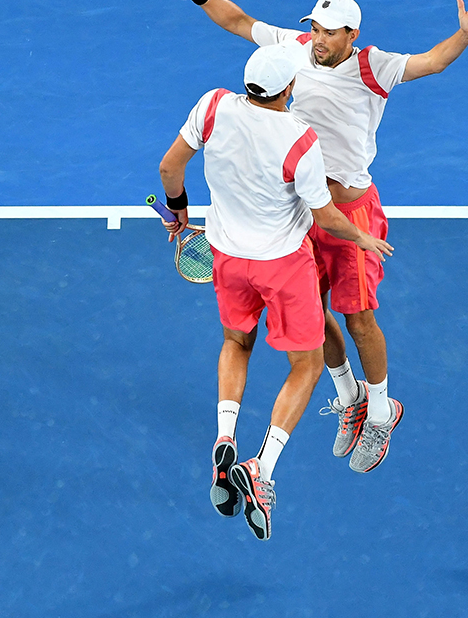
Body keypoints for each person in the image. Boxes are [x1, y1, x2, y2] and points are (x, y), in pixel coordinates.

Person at [154, 0, 468, 473]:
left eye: (328, 32)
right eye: (314, 29)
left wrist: (463, 36)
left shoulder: (373, 66)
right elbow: (237, 21)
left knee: (359, 319)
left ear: (351, 36)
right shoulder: (292, 50)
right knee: (312, 321)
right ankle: (349, 397)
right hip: (301, 211)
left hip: (349, 211)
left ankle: (382, 411)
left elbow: (431, 63)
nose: (317, 39)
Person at [158, 44, 392, 540]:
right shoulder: (298, 139)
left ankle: (224, 437)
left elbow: (168, 169)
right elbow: (326, 215)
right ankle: (261, 470)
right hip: (281, 266)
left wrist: (178, 210)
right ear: (289, 90)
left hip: (226, 257)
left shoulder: (213, 106)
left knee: (235, 344)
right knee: (305, 365)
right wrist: (362, 236)